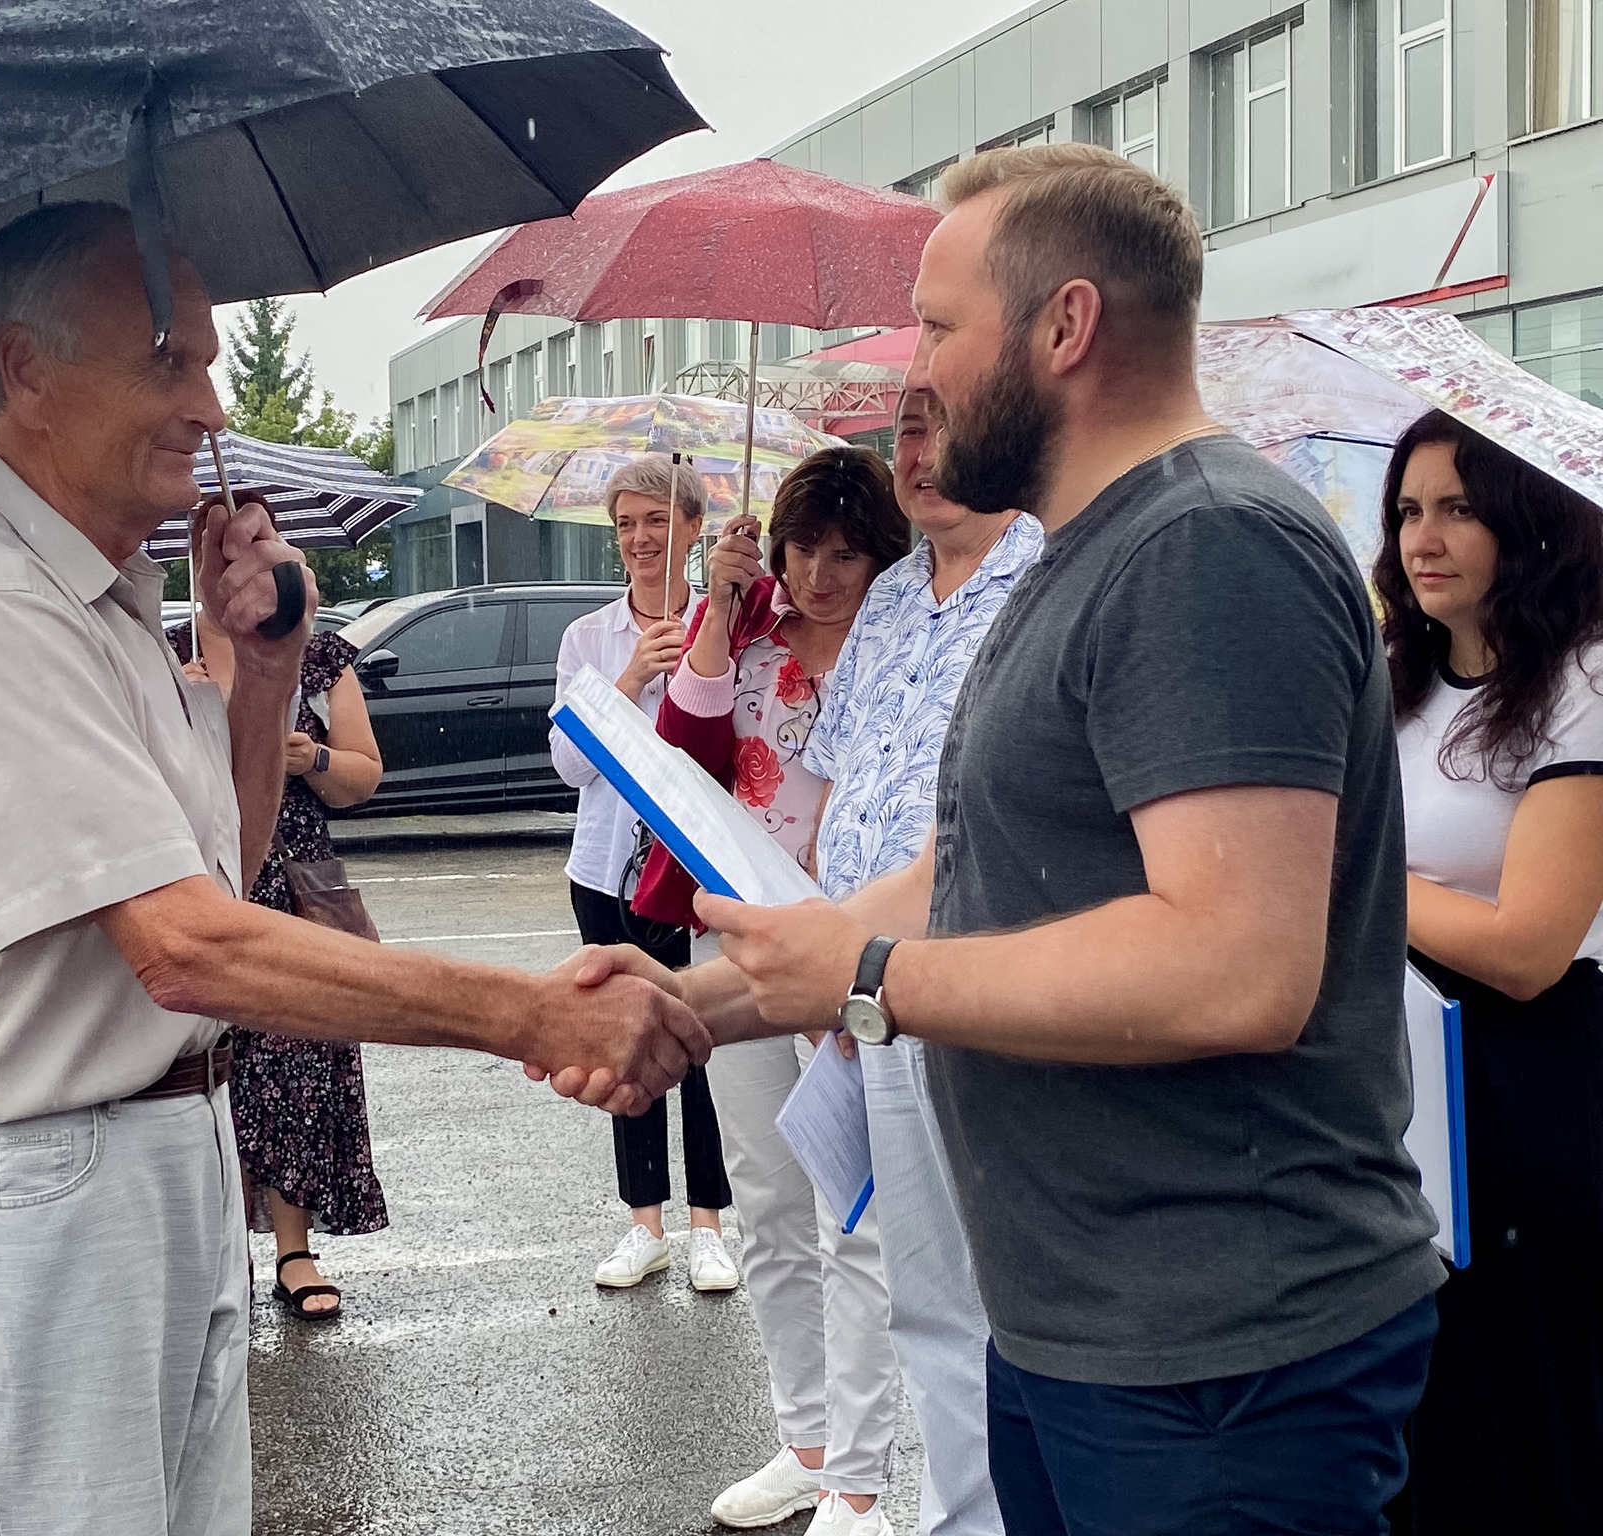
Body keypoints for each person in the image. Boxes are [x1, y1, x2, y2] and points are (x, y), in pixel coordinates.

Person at [554, 143, 1445, 1535]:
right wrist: (696, 1005)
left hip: (1214, 1357)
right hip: (1078, 1325)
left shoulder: (1208, 547)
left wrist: (866, 980)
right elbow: (967, 874)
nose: (915, 373)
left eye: (938, 327)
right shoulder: (1083, 551)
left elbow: (1237, 968)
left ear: (1065, 325)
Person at [0, 200, 706, 1536]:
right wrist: (528, 1015)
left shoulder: (104, 601)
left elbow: (224, 872)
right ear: (26, 370)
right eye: (168, 359)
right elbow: (183, 948)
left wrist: (265, 669)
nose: (209, 402)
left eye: (206, 359)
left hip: (158, 1143)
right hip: (38, 1175)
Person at [633, 447, 912, 1535]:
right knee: (768, 1200)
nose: (818, 575)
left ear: (880, 556)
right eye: (801, 549)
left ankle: (859, 1483)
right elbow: (679, 747)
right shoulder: (749, 627)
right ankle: (805, 1442)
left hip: (853, 949)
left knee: (855, 1217)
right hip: (738, 936)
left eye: (845, 555)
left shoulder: (905, 647)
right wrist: (718, 599)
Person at [803, 389, 1037, 1536]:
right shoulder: (892, 596)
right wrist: (826, 959)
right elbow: (839, 782)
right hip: (871, 995)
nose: (920, 453)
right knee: (924, 1300)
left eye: (944, 424)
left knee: (1003, 1306)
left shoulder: (1043, 577)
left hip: (980, 990)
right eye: (904, 429)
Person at [1374, 410, 1603, 1534]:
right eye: (1409, 511)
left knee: (1524, 1405)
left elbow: (1526, 948)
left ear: (1526, 523)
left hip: (1530, 1080)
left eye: (1458, 509)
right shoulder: (1396, 680)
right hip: (1400, 1056)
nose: (1423, 538)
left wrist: (1360, 877)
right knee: (1426, 1404)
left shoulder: (1581, 681)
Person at [550, 453, 735, 1292]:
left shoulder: (723, 626)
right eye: (625, 524)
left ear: (692, 527)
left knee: (702, 1042)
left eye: (656, 521)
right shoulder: (587, 639)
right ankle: (643, 1223)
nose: (639, 539)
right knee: (626, 1045)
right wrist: (626, 681)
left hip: (693, 873)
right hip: (606, 872)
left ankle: (709, 1226)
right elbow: (568, 764)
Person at [186, 594, 389, 1323]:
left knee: (299, 1059)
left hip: (295, 880)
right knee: (208, 1063)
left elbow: (364, 776)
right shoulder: (165, 649)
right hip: (200, 877)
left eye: (263, 541)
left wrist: (316, 758)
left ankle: (293, 1250)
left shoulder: (321, 656)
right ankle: (217, 1253)